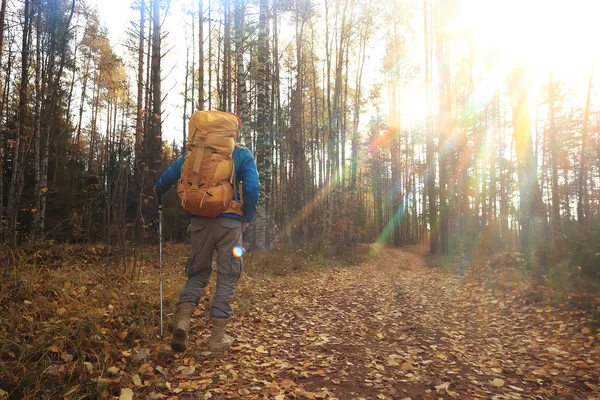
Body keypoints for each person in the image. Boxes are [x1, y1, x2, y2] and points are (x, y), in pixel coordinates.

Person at [154, 111, 259, 353]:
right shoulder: (240, 154)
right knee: (227, 277)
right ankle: (217, 338)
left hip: (200, 223)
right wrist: (247, 217)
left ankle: (182, 322)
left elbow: (165, 180)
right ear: (233, 131)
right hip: (230, 225)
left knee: (198, 274)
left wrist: (159, 195)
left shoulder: (194, 155)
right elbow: (253, 187)